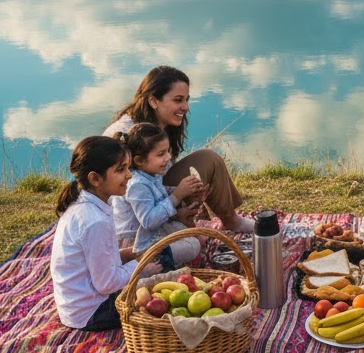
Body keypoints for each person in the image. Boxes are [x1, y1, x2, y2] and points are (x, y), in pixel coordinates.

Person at [102, 65, 253, 234]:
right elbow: (120, 191)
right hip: (130, 218)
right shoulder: (123, 132)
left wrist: (189, 190)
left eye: (187, 100)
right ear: (153, 101)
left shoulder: (162, 125)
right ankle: (207, 223)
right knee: (207, 160)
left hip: (158, 195)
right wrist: (177, 196)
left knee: (208, 160)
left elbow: (160, 176)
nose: (186, 107)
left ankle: (228, 220)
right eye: (178, 100)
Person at [50, 135, 161, 331]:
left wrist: (126, 254)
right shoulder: (94, 221)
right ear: (95, 178)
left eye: (128, 167)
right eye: (120, 170)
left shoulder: (90, 204)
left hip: (81, 304)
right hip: (92, 312)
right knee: (160, 302)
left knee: (161, 261)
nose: (129, 175)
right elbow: (106, 284)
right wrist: (141, 267)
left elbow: (92, 262)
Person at [119, 123, 205, 271]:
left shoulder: (151, 173)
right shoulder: (137, 185)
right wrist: (177, 195)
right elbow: (149, 221)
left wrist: (186, 191)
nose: (168, 158)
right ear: (139, 160)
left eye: (167, 151)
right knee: (193, 244)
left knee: (196, 235)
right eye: (161, 154)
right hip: (137, 241)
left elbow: (157, 193)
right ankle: (149, 262)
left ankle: (158, 256)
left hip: (153, 232)